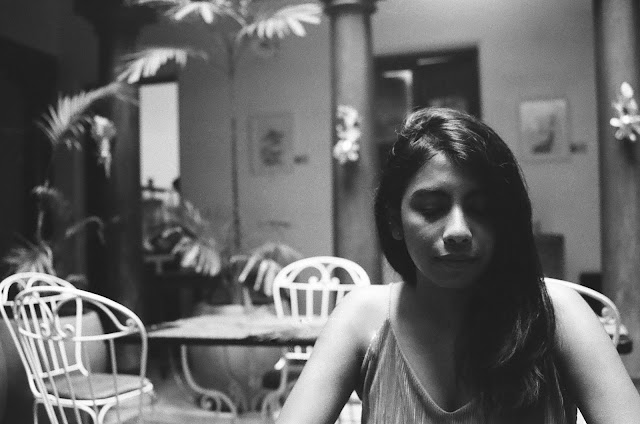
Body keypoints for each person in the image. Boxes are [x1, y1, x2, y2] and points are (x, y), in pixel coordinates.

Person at [275, 107, 640, 423]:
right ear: (393, 220)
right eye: (431, 209)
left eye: (481, 209)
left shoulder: (557, 315)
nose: (458, 231)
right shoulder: (362, 319)